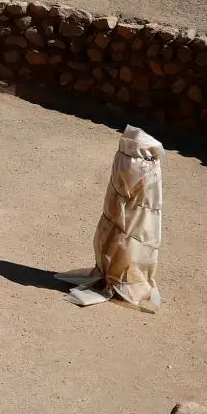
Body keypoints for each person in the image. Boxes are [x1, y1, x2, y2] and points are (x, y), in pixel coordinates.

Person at [57, 126, 165, 313]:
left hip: (133, 157)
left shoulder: (130, 155)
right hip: (136, 158)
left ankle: (120, 274)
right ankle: (118, 277)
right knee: (128, 222)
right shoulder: (137, 158)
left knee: (131, 222)